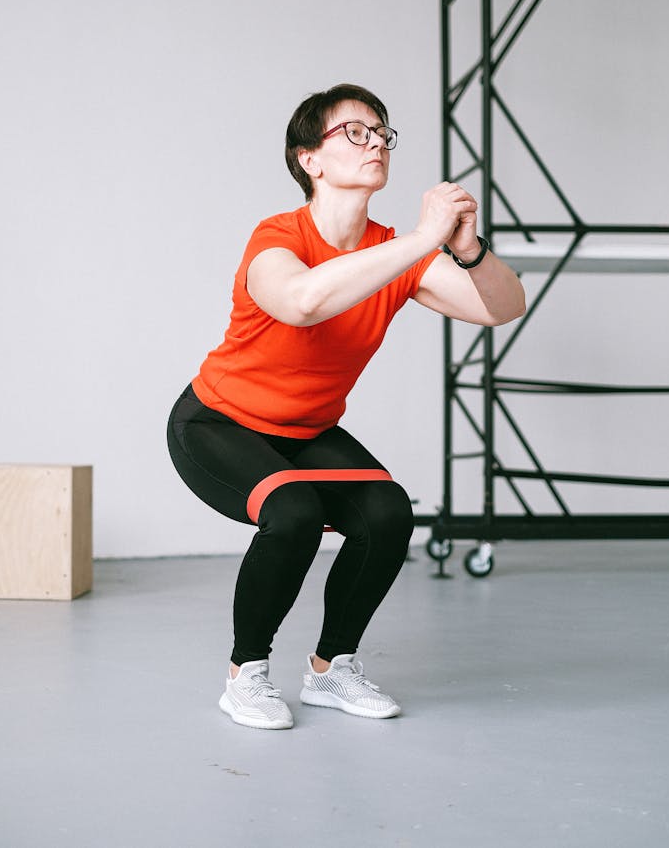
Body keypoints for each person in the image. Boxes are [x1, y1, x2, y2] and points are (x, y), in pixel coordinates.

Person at [167, 83, 525, 730]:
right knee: (293, 512)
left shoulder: (398, 252)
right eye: (355, 132)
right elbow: (302, 301)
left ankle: (332, 669)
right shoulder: (278, 236)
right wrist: (423, 239)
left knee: (388, 514)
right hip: (216, 421)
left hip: (306, 429)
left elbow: (501, 308)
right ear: (311, 160)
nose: (376, 143)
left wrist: (467, 252)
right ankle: (244, 674)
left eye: (382, 132)